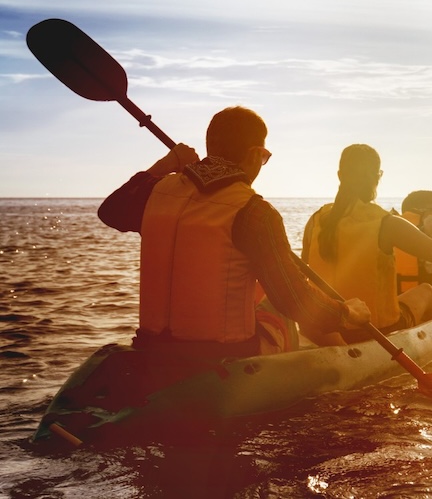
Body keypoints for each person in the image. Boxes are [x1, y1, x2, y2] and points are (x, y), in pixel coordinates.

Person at [98, 106, 370, 359]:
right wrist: (345, 313)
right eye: (264, 157)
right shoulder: (254, 211)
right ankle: (349, 360)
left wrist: (166, 164)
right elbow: (294, 300)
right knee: (276, 297)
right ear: (254, 154)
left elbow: (109, 211)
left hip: (152, 349)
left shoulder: (155, 192)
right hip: (222, 356)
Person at [300, 144, 432, 345]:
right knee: (426, 291)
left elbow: (306, 266)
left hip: (327, 328)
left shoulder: (315, 220)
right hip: (375, 330)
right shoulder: (386, 223)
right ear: (377, 177)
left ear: (340, 175)